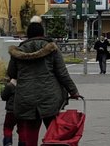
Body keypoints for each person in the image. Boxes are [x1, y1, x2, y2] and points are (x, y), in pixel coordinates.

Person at [8, 16, 81, 146]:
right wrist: (73, 91)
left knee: (30, 131)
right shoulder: (52, 49)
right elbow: (62, 73)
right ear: (42, 34)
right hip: (49, 97)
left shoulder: (18, 51)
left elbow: (12, 73)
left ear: (27, 35)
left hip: (26, 98)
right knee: (54, 131)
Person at [0, 78, 17, 146]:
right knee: (22, 129)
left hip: (11, 111)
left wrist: (2, 91)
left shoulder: (10, 85)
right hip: (22, 111)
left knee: (8, 128)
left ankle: (8, 143)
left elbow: (4, 97)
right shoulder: (25, 84)